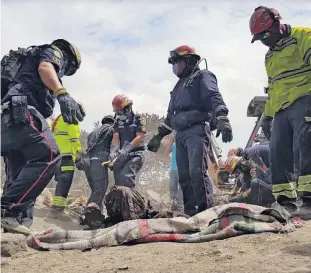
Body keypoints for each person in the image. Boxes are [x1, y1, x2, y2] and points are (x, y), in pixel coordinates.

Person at [1, 39, 85, 234]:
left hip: (9, 117)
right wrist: (62, 93)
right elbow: (46, 67)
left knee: (21, 174)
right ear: (70, 59)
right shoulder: (54, 51)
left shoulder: (25, 61)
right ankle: (8, 209)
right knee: (49, 154)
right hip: (24, 112)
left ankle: (17, 225)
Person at [147, 45, 233, 216]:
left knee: (197, 172)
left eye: (177, 63)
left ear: (189, 60)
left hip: (197, 130)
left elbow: (213, 96)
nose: (174, 68)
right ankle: (191, 212)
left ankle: (205, 212)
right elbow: (171, 117)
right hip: (180, 135)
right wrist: (158, 136)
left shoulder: (202, 76)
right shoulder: (178, 87)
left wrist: (222, 117)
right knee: (184, 176)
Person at [249, 6, 311, 219]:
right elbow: (273, 88)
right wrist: (267, 115)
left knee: (305, 143)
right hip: (282, 108)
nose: (264, 41)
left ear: (277, 24)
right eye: (259, 39)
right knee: (277, 150)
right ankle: (286, 202)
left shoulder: (302, 36)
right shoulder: (270, 57)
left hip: (305, 97)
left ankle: (309, 201)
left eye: (265, 35)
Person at [48, 107, 84, 221]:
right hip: (66, 156)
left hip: (56, 155)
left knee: (59, 181)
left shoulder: (58, 119)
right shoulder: (71, 118)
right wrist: (79, 153)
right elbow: (74, 139)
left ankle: (54, 207)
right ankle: (57, 209)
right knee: (65, 182)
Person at [78, 115, 115, 229]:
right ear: (112, 122)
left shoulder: (92, 132)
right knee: (100, 189)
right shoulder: (111, 129)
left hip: (87, 163)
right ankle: (87, 215)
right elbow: (113, 146)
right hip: (99, 162)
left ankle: (97, 217)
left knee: (96, 191)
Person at [109, 95, 146, 188]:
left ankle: (130, 200)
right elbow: (116, 137)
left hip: (135, 154)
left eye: (119, 111)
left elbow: (140, 137)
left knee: (126, 176)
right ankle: (119, 201)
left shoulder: (138, 119)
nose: (118, 114)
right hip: (121, 156)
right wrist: (113, 151)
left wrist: (126, 149)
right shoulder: (117, 122)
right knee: (118, 181)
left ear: (127, 108)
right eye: (116, 111)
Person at [164, 135, 183, 211]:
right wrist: (171, 142)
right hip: (173, 169)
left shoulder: (183, 141)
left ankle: (181, 208)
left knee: (180, 190)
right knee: (172, 188)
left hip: (182, 169)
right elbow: (166, 152)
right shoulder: (174, 144)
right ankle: (173, 206)